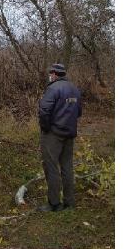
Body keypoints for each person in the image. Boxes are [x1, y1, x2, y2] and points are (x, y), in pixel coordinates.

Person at [38, 63, 82, 211]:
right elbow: (79, 112)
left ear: (55, 74)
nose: (50, 75)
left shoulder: (52, 88)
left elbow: (44, 111)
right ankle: (69, 202)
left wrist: (45, 128)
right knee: (67, 167)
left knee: (51, 167)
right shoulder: (74, 89)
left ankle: (54, 203)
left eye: (51, 72)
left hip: (53, 134)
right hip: (69, 133)